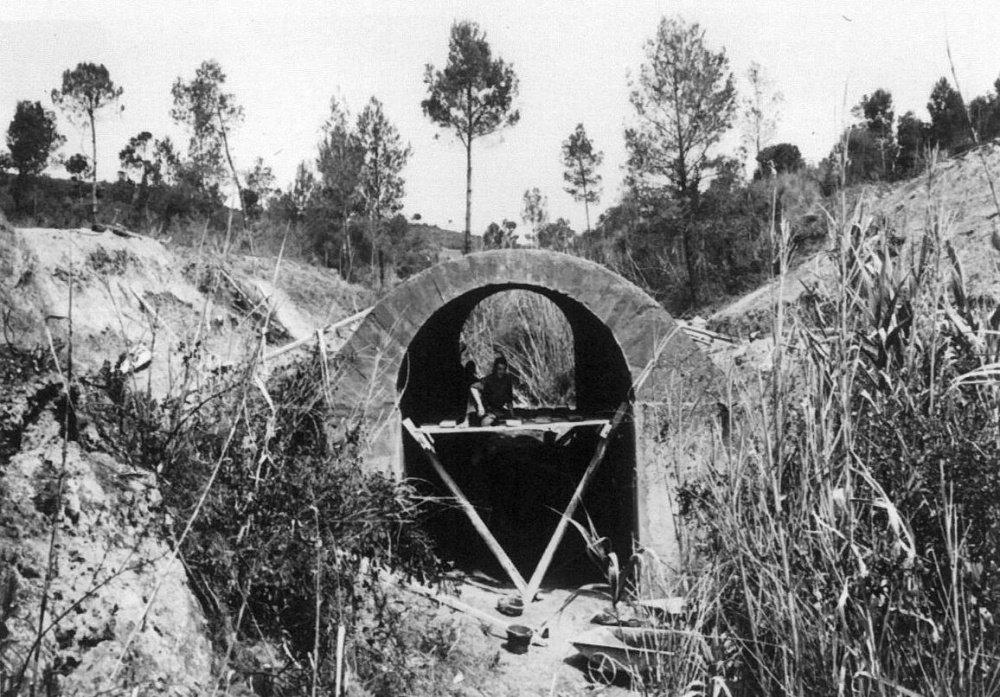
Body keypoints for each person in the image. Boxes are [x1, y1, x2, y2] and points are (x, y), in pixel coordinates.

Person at [470, 356, 515, 426]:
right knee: (486, 422)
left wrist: (512, 414)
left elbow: (509, 399)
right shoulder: (489, 380)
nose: (502, 372)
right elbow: (473, 387)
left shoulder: (507, 380)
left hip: (499, 409)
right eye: (499, 369)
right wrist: (480, 406)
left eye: (504, 369)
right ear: (495, 369)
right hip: (488, 409)